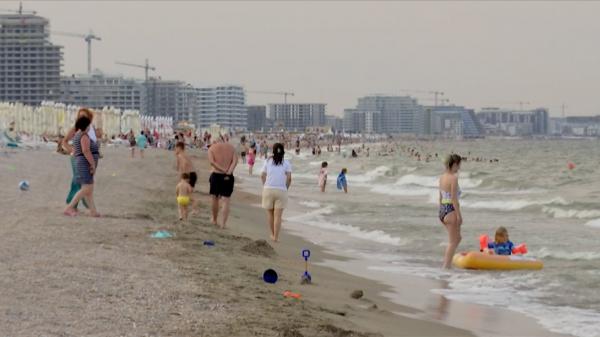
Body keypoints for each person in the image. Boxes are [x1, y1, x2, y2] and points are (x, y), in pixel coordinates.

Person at [63, 116, 100, 217]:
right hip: (84, 164)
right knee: (86, 188)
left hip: (82, 163)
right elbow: (86, 151)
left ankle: (93, 211)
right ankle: (69, 207)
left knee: (89, 189)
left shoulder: (78, 135)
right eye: (89, 125)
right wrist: (92, 163)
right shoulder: (83, 136)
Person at [261, 143, 292, 242]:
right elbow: (289, 178)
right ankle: (276, 237)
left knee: (270, 214)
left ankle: (272, 234)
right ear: (283, 151)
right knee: (278, 216)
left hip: (268, 189)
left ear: (273, 151)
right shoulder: (286, 163)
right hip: (281, 190)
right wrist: (285, 188)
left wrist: (265, 185)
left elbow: (262, 175)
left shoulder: (268, 161)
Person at [439, 154, 463, 269]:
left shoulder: (442, 177)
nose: (459, 168)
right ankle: (446, 266)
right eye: (458, 165)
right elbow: (454, 199)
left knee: (457, 238)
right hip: (451, 210)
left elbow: (440, 196)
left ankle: (448, 263)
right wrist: (459, 215)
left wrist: (441, 212)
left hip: (443, 209)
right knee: (453, 241)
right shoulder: (453, 178)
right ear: (454, 164)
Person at [208, 138, 238, 228]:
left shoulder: (212, 148)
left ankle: (214, 219)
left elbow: (212, 162)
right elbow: (235, 161)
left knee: (215, 198)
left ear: (215, 140)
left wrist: (222, 169)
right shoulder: (231, 148)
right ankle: (223, 224)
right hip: (228, 176)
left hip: (216, 175)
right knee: (226, 200)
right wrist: (229, 171)